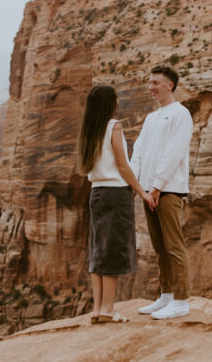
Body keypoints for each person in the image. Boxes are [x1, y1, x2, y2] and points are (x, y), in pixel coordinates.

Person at [77, 84, 154, 323]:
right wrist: (140, 190)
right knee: (113, 249)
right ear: (109, 103)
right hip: (115, 193)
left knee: (97, 249)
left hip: (96, 193)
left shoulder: (89, 129)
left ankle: (98, 308)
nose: (117, 103)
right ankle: (109, 308)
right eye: (115, 99)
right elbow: (123, 165)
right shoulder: (114, 126)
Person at [131, 65, 193, 319]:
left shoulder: (181, 114)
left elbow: (174, 153)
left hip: (168, 191)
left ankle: (181, 301)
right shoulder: (151, 118)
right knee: (159, 246)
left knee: (173, 246)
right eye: (149, 82)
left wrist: (157, 186)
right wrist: (136, 186)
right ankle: (166, 296)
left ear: (171, 85)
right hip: (148, 192)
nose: (151, 87)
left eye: (156, 82)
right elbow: (139, 151)